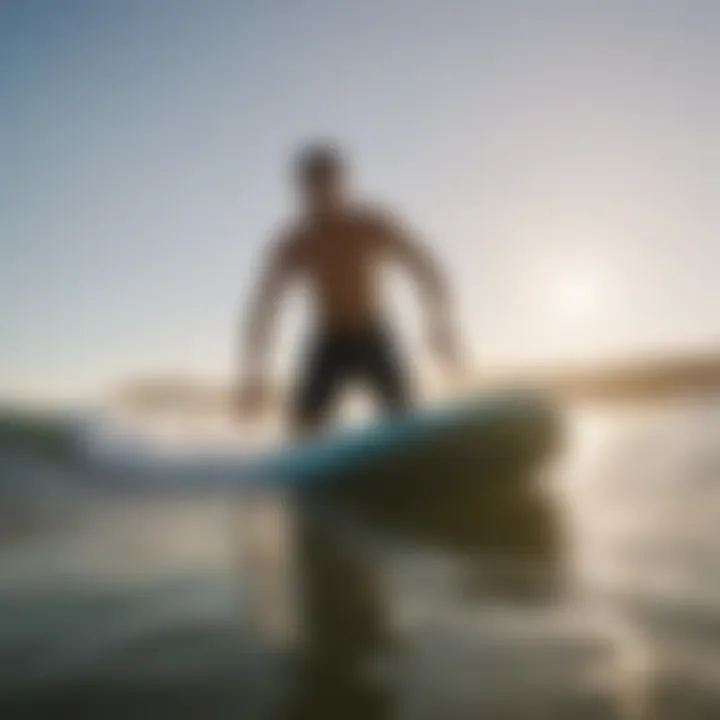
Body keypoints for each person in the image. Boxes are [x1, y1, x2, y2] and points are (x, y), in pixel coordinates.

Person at [237, 142, 459, 436]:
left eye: (329, 185)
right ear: (302, 192)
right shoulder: (295, 242)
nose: (322, 197)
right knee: (304, 432)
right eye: (312, 188)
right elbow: (263, 309)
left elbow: (427, 267)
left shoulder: (371, 224)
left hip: (373, 334)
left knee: (404, 423)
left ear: (343, 184)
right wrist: (254, 374)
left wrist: (439, 324)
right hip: (328, 341)